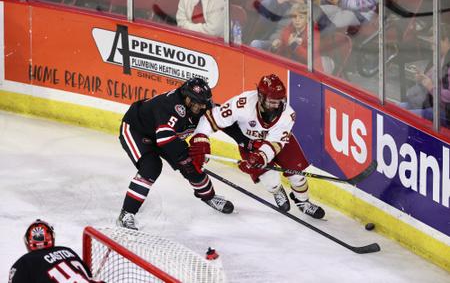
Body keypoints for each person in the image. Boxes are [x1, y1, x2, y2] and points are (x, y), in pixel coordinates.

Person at [189, 74, 325, 219]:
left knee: (298, 176)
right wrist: (200, 140)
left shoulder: (288, 114)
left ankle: (303, 202)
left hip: (278, 144)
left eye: (279, 101)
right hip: (250, 144)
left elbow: (275, 143)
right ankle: (276, 190)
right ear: (260, 97)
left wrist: (260, 157)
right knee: (270, 180)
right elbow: (212, 118)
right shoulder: (243, 104)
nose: (277, 105)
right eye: (272, 101)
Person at [116, 78, 234, 230]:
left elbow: (225, 121)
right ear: (186, 97)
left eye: (203, 102)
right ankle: (126, 213)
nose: (201, 107)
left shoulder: (204, 105)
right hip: (138, 130)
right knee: (151, 167)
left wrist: (247, 143)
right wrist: (185, 158)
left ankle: (209, 197)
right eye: (197, 102)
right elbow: (165, 139)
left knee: (192, 167)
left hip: (166, 136)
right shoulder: (170, 105)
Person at [8, 219, 101, 283]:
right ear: (52, 238)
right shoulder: (68, 251)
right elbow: (87, 275)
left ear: (28, 242)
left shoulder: (24, 262)